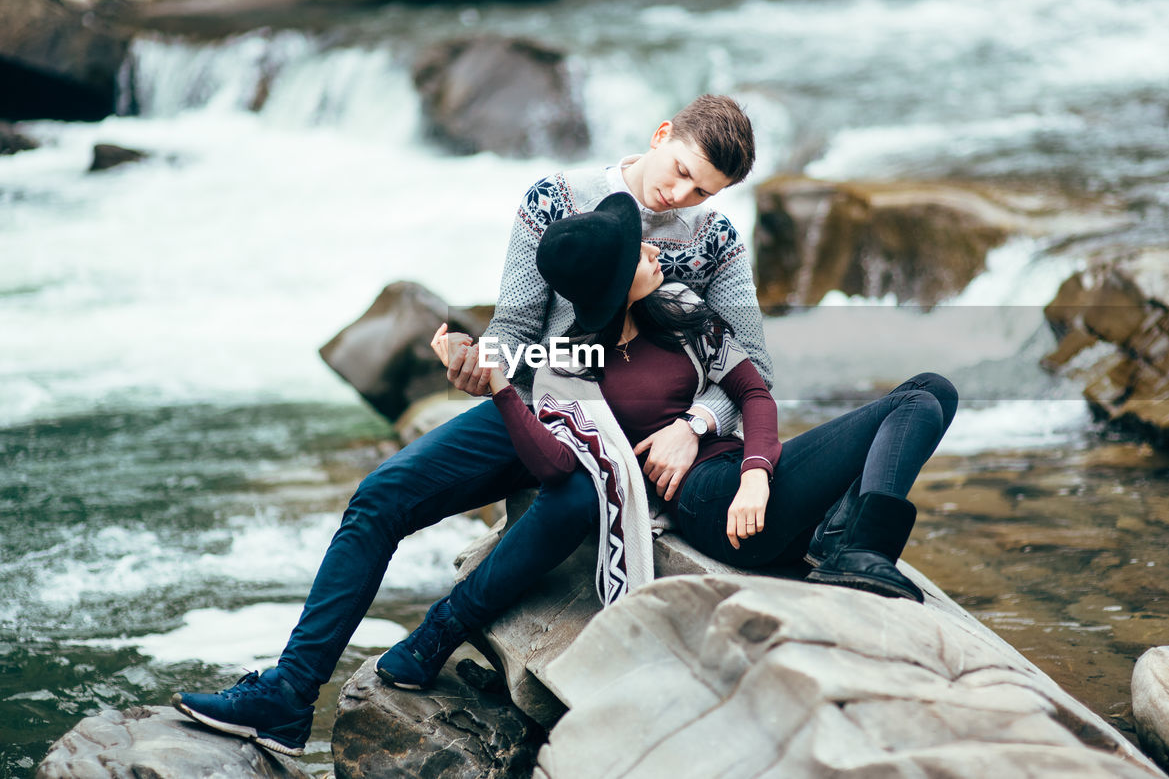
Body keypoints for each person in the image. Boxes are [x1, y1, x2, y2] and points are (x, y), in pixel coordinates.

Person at [172, 94, 774, 756]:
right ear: (662, 134)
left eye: (700, 190)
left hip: (620, 438)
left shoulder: (713, 239)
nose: (679, 195)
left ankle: (434, 637)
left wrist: (695, 423)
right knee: (381, 495)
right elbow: (515, 328)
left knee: (578, 494)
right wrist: (480, 363)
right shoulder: (555, 199)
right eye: (682, 170)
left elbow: (752, 370)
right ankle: (287, 697)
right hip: (531, 404)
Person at [382, 194, 957, 703]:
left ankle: (848, 545)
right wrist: (505, 390)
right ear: (611, 286)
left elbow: (753, 391)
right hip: (707, 501)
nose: (655, 253)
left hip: (745, 479)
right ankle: (862, 554)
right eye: (638, 253)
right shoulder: (571, 366)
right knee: (914, 404)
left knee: (934, 390)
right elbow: (556, 467)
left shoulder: (681, 313)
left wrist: (755, 470)